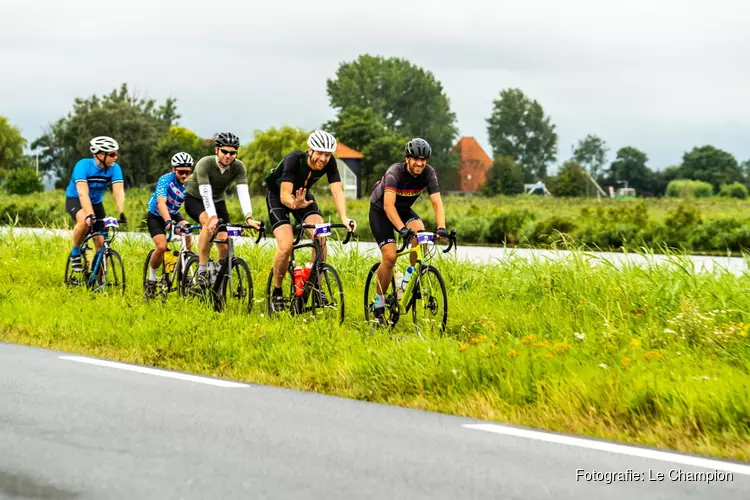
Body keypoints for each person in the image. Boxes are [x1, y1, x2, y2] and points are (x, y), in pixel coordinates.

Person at [264, 129, 356, 312]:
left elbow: (337, 191)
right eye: (320, 153)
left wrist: (344, 217)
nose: (323, 158)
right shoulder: (294, 160)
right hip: (279, 197)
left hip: (303, 196)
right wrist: (294, 203)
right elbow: (284, 195)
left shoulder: (330, 163)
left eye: (327, 154)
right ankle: (277, 292)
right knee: (286, 246)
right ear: (310, 150)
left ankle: (314, 287)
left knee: (321, 236)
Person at [368, 137, 449, 322]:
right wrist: (402, 229)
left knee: (421, 235)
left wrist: (442, 228)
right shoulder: (394, 173)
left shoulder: (429, 173)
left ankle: (408, 280)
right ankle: (378, 300)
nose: (420, 163)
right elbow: (389, 206)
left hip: (403, 211)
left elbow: (437, 203)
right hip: (381, 211)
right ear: (407, 158)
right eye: (416, 159)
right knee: (390, 257)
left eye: (423, 159)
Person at [182, 132, 261, 286]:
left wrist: (249, 217)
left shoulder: (238, 166)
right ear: (216, 150)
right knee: (208, 225)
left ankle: (217, 276)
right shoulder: (204, 163)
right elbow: (205, 193)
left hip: (218, 201)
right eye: (224, 151)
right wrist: (212, 217)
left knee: (224, 244)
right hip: (195, 199)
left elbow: (243, 192)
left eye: (232, 153)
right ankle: (203, 268)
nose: (228, 156)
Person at [65, 136, 127, 272]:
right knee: (83, 222)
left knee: (101, 243)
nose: (116, 157)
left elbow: (118, 191)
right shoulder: (82, 166)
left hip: (96, 203)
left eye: (116, 153)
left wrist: (121, 211)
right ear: (100, 155)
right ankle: (75, 252)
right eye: (112, 154)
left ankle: (97, 276)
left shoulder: (115, 168)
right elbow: (83, 193)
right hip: (75, 199)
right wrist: (90, 215)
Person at [143, 152, 194, 296]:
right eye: (181, 172)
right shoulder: (165, 180)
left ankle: (186, 267)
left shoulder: (191, 182)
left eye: (187, 172)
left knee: (188, 229)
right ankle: (151, 279)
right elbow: (161, 203)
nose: (184, 175)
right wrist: (167, 221)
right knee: (161, 246)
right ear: (174, 170)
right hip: (157, 215)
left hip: (174, 214)